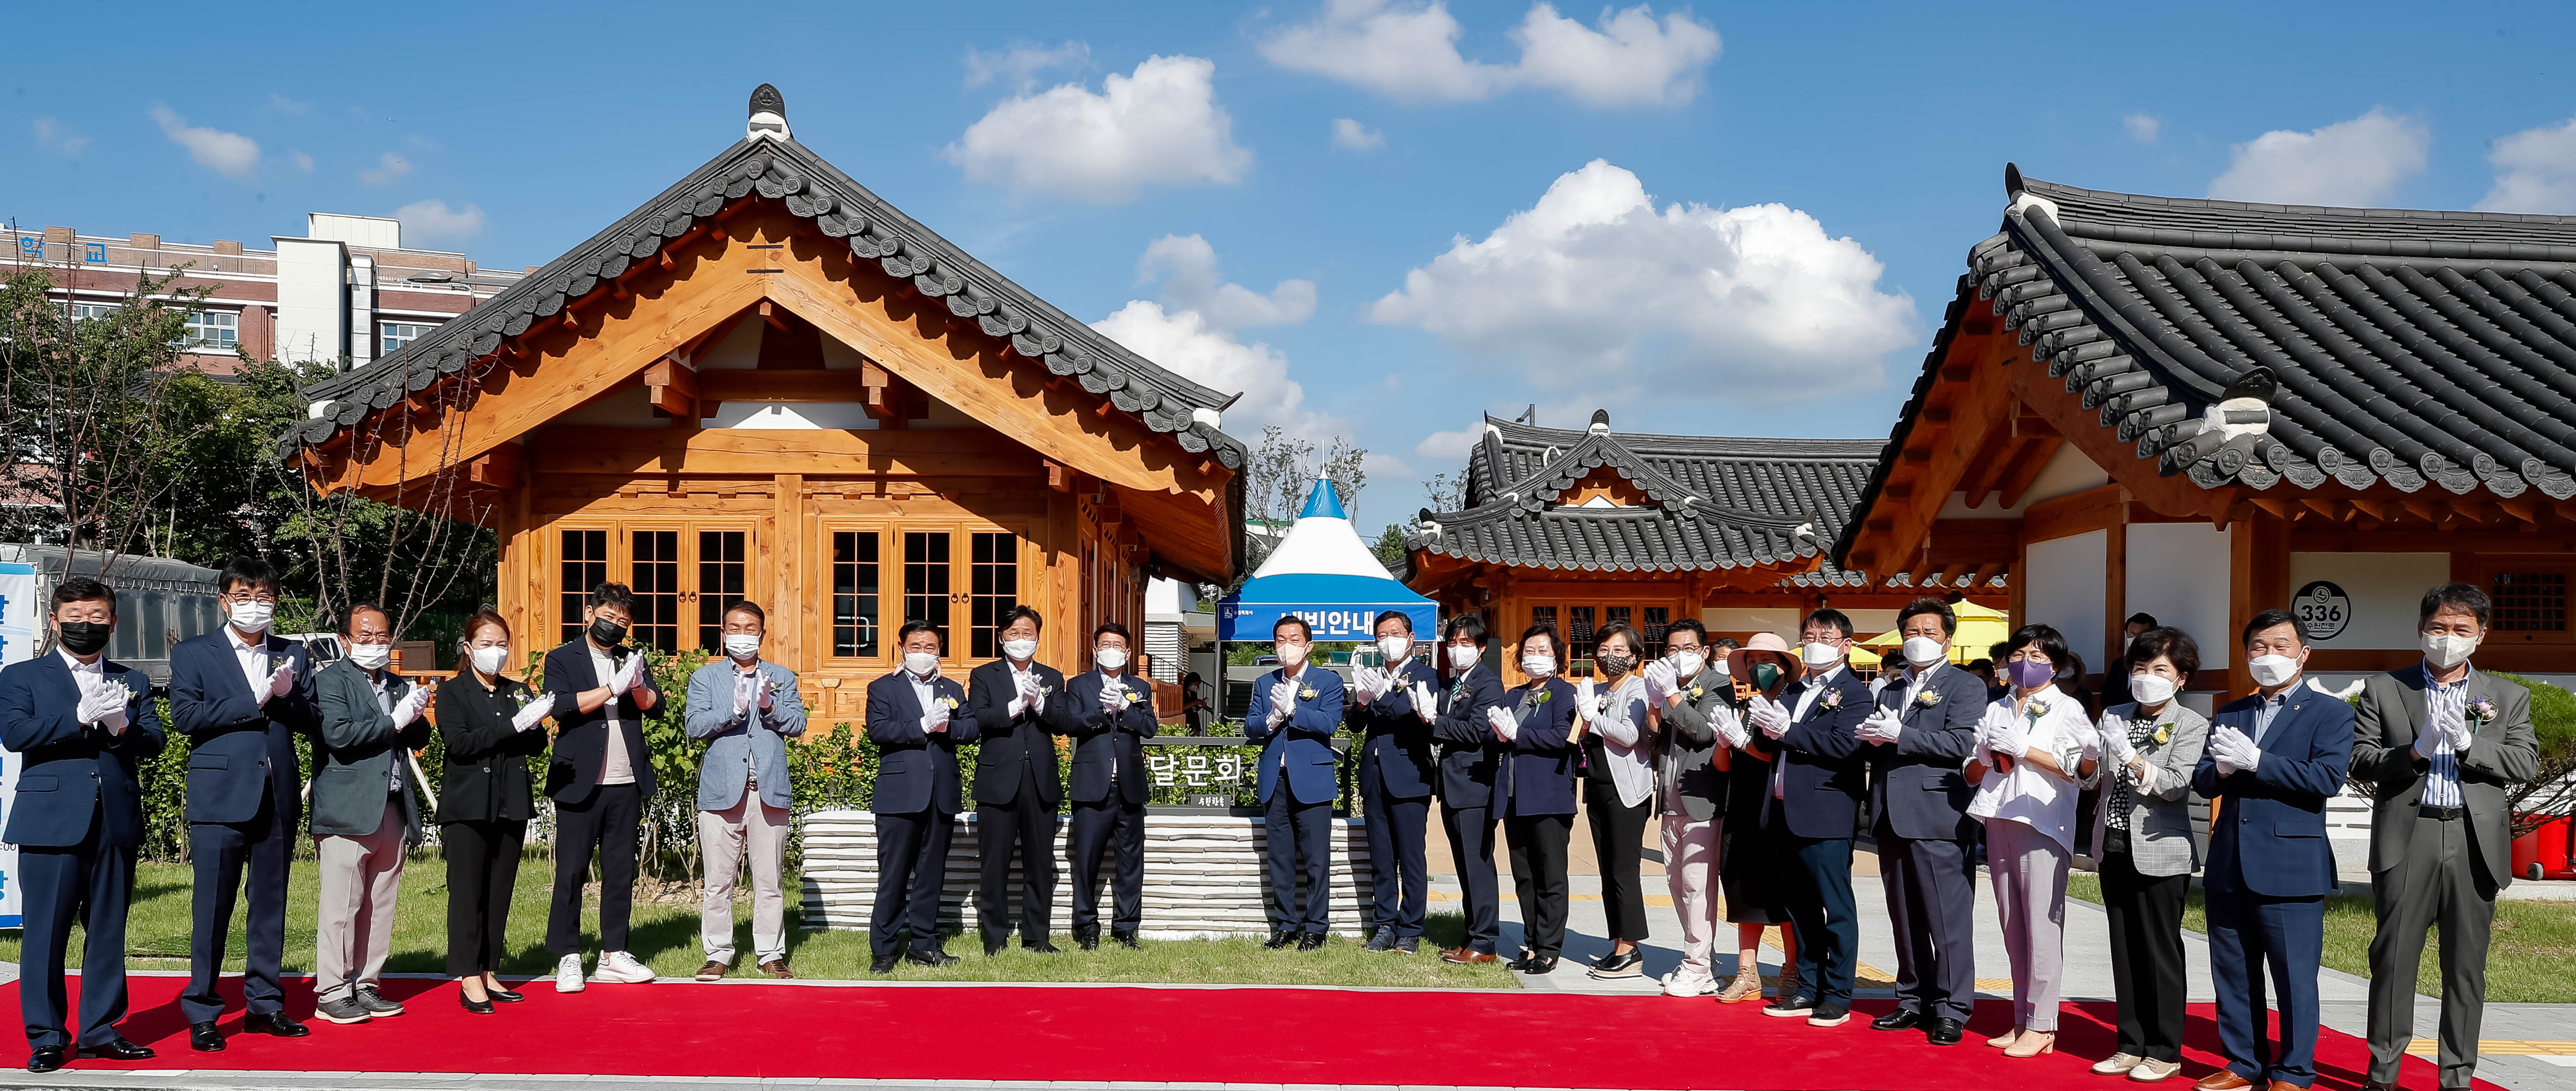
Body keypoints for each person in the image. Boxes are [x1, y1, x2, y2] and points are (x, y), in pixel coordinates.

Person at [2351, 584, 2538, 1091]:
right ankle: (2382, 1076)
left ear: (2480, 635)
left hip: (2473, 839)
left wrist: (2467, 744)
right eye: (2438, 627)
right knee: (2392, 960)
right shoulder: (2385, 688)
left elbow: (2524, 761)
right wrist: (2414, 750)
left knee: (2464, 967)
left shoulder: (2506, 695)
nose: (2447, 638)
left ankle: (2455, 1077)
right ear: (2420, 630)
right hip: (2408, 833)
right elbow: (2359, 759)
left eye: (2460, 629)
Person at [2, 576, 164, 1071]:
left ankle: (100, 1030)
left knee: (108, 930)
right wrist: (76, 717)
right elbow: (14, 733)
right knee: (47, 933)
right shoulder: (21, 676)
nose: (85, 626)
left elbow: (154, 740)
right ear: (54, 620)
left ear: (113, 622)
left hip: (114, 820)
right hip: (51, 820)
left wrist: (122, 728)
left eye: (96, 617)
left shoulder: (132, 680)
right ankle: (47, 1034)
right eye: (74, 617)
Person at [2191, 610, 2354, 1091]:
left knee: (2294, 977)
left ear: (2303, 653)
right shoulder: (2231, 712)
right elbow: (2202, 779)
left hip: (2290, 863)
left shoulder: (2331, 712)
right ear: (2245, 656)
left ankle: (2295, 1070)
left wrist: (2260, 761)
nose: (2268, 655)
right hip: (2229, 860)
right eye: (2258, 647)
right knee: (2233, 971)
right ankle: (2243, 1064)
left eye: (2280, 646)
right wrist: (2219, 770)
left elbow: (2326, 778)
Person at [171, 555, 319, 1052]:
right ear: (224, 600)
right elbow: (186, 716)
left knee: (270, 906)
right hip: (219, 798)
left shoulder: (292, 652)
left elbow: (313, 718)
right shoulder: (195, 652)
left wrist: (288, 696)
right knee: (212, 908)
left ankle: (264, 1004)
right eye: (243, 596)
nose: (254, 606)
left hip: (276, 796)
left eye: (263, 597)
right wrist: (253, 699)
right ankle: (203, 1010)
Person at [1856, 598, 1988, 1046]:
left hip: (1938, 813)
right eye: (1911, 632)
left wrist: (1901, 735)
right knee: (1905, 915)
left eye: (1928, 632)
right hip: (1891, 812)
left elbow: (1962, 742)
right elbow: (1882, 743)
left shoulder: (1965, 686)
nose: (1918, 639)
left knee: (1946, 918)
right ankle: (1913, 998)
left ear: (1947, 639)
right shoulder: (1890, 687)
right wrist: (1872, 739)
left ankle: (1952, 1007)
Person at [1963, 624, 2098, 1059]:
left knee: (2041, 926)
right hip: (1999, 816)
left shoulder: (2067, 709)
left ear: (2056, 667)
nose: (2026, 664)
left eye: (2038, 658)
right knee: (2012, 924)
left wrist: (2025, 750)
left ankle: (2042, 1025)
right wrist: (1982, 759)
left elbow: (2078, 771)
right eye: (2020, 655)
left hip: (2041, 821)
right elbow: (1971, 768)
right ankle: (2021, 1017)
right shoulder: (1998, 705)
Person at [2082, 626, 2210, 1083]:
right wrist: (2085, 758)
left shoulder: (2191, 724)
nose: (2147, 677)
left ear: (2181, 678)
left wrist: (2130, 757)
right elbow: (2092, 780)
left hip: (2161, 848)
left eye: (2160, 669)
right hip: (2113, 844)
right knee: (2124, 947)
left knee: (2160, 949)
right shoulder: (2114, 713)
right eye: (2140, 668)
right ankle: (2129, 1043)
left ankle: (2164, 1048)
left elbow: (2176, 785)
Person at [309, 604, 435, 1026]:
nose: (376, 644)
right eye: (365, 637)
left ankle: (366, 983)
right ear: (345, 641)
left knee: (381, 904)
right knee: (343, 905)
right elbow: (339, 736)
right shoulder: (329, 680)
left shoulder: (397, 683)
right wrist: (392, 720)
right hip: (347, 809)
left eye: (382, 636)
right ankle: (331, 990)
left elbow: (417, 738)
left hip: (392, 806)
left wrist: (416, 714)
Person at [1747, 610, 1871, 1027]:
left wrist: (1787, 730)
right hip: (1784, 809)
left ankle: (1837, 994)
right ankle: (1807, 985)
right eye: (1809, 634)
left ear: (1845, 645)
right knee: (1798, 908)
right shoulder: (1793, 688)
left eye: (1825, 635)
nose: (1815, 640)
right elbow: (1774, 742)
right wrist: (1754, 728)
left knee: (1834, 909)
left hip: (1826, 812)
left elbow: (1843, 746)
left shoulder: (1855, 693)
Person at [542, 582, 663, 993]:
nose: (615, 626)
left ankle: (614, 952)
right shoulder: (562, 658)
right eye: (609, 617)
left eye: (623, 622)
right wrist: (612, 688)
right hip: (579, 780)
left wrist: (637, 685)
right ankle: (569, 954)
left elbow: (655, 707)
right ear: (589, 614)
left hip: (625, 779)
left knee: (619, 871)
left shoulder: (632, 659)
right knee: (572, 871)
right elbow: (560, 706)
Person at [684, 600, 808, 982]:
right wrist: (733, 713)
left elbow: (798, 723)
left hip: (768, 790)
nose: (742, 635)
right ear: (723, 633)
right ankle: (718, 953)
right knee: (719, 881)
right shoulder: (706, 679)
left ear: (762, 634)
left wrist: (769, 708)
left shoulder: (781, 676)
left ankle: (770, 954)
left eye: (750, 628)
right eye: (734, 628)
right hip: (722, 792)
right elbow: (694, 725)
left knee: (769, 881)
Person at [435, 609, 551, 1014]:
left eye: (502, 644)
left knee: (499, 891)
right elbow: (459, 744)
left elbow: (535, 747)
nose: (495, 652)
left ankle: (488, 969)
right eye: (486, 644)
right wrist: (514, 728)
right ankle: (467, 975)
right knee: (468, 892)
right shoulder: (452, 692)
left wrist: (536, 726)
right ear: (468, 648)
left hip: (510, 804)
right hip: (467, 807)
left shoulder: (517, 690)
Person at [866, 621, 979, 972]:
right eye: (916, 646)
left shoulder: (952, 688)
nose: (923, 653)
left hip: (940, 794)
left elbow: (972, 728)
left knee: (931, 874)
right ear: (901, 647)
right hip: (900, 794)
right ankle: (884, 949)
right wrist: (921, 726)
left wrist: (949, 727)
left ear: (939, 649)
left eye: (930, 647)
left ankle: (924, 945)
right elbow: (879, 730)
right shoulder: (883, 687)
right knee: (894, 874)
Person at [964, 604, 1068, 955]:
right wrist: (1013, 706)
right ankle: (995, 938)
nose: (1021, 640)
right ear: (1001, 638)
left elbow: (1063, 723)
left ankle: (1037, 937)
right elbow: (976, 718)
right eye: (1013, 634)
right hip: (998, 780)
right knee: (994, 862)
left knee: (1040, 863)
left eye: (1028, 634)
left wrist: (1039, 704)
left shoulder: (1052, 677)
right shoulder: (984, 675)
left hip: (1040, 780)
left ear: (1037, 638)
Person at [1246, 615, 1348, 949]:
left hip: (1312, 778)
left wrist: (1293, 711)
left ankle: (1316, 927)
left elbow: (1330, 722)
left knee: (1316, 858)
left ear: (1308, 645)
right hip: (1275, 777)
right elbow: (1250, 726)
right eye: (1279, 639)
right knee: (1280, 857)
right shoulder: (1264, 683)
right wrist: (1271, 718)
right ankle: (1286, 924)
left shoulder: (1327, 681)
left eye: (1293, 639)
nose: (1286, 646)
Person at [1643, 620, 1730, 998]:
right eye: (1673, 649)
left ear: (1704, 651)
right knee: (1677, 885)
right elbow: (1652, 736)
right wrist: (1654, 700)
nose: (1680, 655)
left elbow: (1703, 731)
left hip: (1702, 801)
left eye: (1688, 648)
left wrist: (1672, 696)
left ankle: (1697, 967)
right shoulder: (1669, 686)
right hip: (1669, 801)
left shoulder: (1717, 685)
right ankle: (1699, 960)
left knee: (1698, 886)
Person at [1489, 624, 1579, 974]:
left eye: (1543, 651)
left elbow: (1562, 738)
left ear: (1557, 657)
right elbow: (1500, 737)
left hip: (1549, 796)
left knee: (1550, 876)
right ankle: (1530, 942)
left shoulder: (1563, 694)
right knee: (1524, 875)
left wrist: (1518, 734)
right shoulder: (1513, 696)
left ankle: (1549, 947)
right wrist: (1498, 733)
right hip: (1514, 796)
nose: (1535, 657)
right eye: (1529, 651)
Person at [1350, 610, 1439, 954]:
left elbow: (1415, 720)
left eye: (1395, 633)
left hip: (1409, 776)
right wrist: (1360, 703)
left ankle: (1411, 929)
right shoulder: (1372, 675)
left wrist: (1384, 697)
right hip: (1374, 776)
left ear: (1410, 638)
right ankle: (1384, 924)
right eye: (1382, 635)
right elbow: (1357, 725)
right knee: (1382, 858)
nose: (1389, 640)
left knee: (1411, 857)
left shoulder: (1425, 675)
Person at [1716, 635, 1798, 1004]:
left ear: (1783, 665)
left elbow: (1773, 757)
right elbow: (1724, 766)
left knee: (1783, 894)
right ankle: (1747, 972)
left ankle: (1791, 971)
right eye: (1752, 660)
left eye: (1766, 659)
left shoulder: (1792, 705)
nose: (1758, 666)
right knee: (1743, 891)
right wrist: (1723, 741)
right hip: (1742, 805)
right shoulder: (1744, 708)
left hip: (1778, 808)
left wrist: (1741, 743)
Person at [1066, 622, 1157, 949]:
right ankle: (1086, 927)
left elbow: (1149, 727)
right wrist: (1100, 711)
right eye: (1105, 644)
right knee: (1087, 859)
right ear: (1094, 649)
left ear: (1128, 652)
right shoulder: (1078, 685)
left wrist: (1125, 707)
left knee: (1131, 861)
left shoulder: (1139, 687)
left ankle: (1126, 928)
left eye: (1118, 645)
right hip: (1092, 786)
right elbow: (1071, 723)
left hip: (1129, 786)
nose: (1112, 650)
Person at [1576, 622, 1655, 978]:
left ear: (1635, 656)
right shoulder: (1602, 689)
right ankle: (1617, 943)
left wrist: (1594, 717)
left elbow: (1629, 734)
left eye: (1620, 650)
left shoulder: (1638, 689)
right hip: (1598, 787)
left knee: (1624, 870)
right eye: (1605, 650)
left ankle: (1631, 948)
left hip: (1626, 790)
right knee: (1607, 870)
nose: (1611, 657)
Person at [1430, 615, 1508, 965]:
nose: (1456, 650)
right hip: (1451, 786)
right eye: (1452, 643)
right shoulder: (1450, 684)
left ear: (1480, 648)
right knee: (1463, 864)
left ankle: (1485, 941)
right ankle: (1472, 932)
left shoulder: (1488, 684)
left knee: (1477, 864)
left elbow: (1477, 730)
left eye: (1465, 643)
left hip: (1475, 786)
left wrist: (1434, 722)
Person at [2098, 613, 2160, 710]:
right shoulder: (2118, 665)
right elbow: (2107, 695)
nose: (2136, 638)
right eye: (2132, 633)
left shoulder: (2159, 665)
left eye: (2142, 633)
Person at [1179, 670, 1212, 735]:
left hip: (1195, 723)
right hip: (1186, 722)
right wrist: (1195, 703)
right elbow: (1181, 708)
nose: (1195, 687)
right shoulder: (1181, 692)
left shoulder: (1194, 694)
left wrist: (1201, 705)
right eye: (1195, 684)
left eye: (1197, 685)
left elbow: (1194, 709)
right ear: (1189, 682)